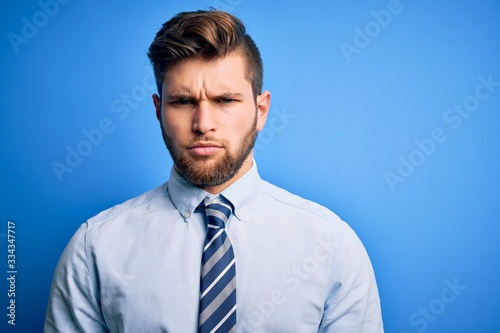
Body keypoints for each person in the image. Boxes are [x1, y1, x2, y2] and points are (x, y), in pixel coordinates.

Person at [44, 9, 383, 333]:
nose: (203, 124)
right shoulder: (96, 247)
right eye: (182, 101)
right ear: (158, 110)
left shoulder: (331, 245)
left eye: (225, 100)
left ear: (260, 110)